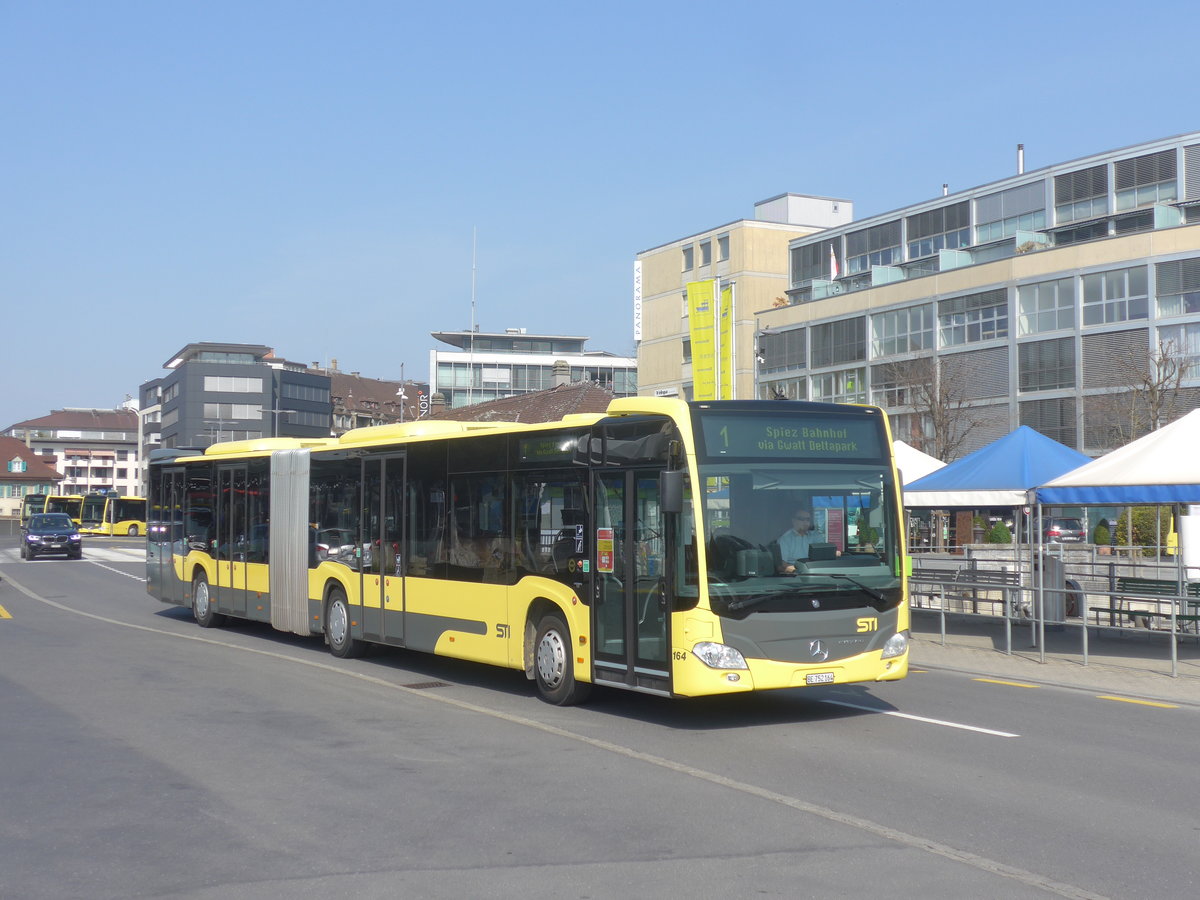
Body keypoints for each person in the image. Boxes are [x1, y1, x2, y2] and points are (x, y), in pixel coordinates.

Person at [777, 508, 818, 573]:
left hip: (817, 574)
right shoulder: (785, 539)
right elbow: (782, 565)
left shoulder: (816, 536)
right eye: (802, 519)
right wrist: (800, 571)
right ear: (794, 521)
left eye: (808, 519)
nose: (805, 522)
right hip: (795, 576)